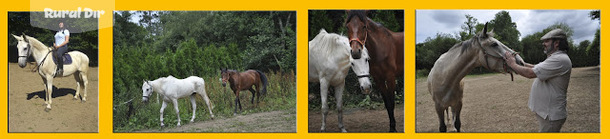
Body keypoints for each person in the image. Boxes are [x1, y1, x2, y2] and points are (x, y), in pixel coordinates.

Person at [504, 29, 572, 132]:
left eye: (547, 41)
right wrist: (518, 61)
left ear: (557, 43)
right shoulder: (555, 57)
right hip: (549, 114)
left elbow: (530, 73)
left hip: (551, 115)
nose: (543, 44)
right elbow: (535, 67)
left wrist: (512, 64)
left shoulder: (559, 59)